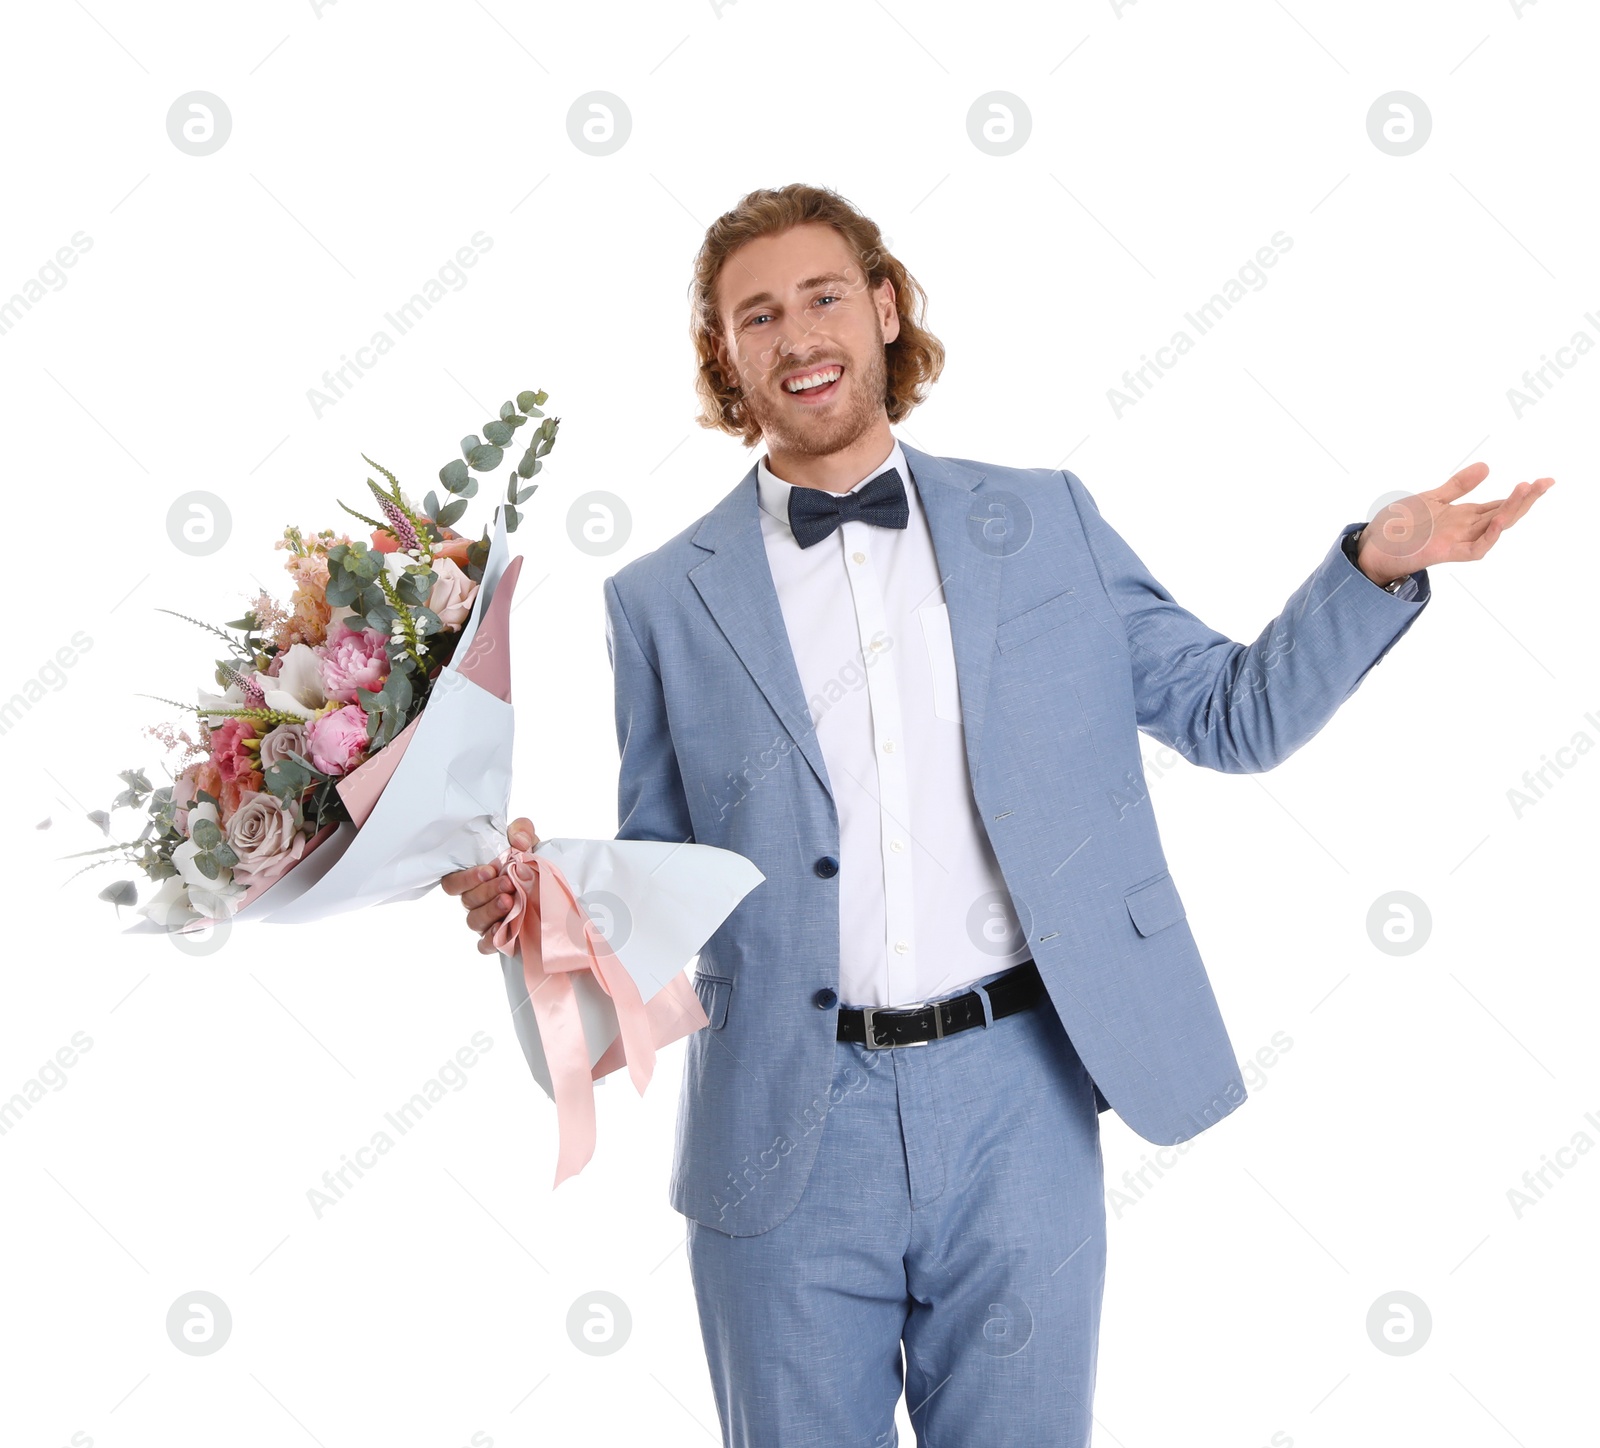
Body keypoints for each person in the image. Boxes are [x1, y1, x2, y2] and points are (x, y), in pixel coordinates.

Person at [441, 182, 1552, 1446]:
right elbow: (662, 873)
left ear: (883, 305)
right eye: (758, 316)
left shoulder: (1046, 522)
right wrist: (541, 904)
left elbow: (1231, 714)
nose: (798, 336)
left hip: (1020, 1101)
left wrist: (1369, 568)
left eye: (821, 297)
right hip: (782, 1128)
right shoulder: (655, 599)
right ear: (724, 355)